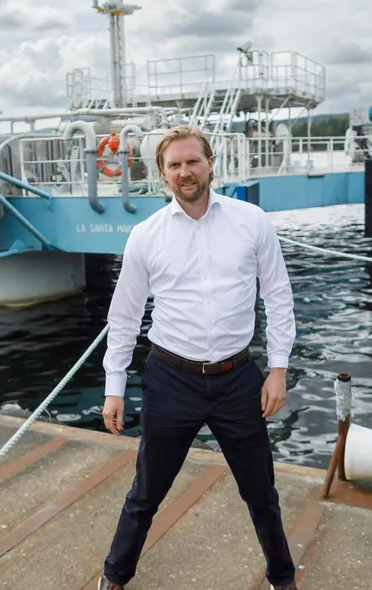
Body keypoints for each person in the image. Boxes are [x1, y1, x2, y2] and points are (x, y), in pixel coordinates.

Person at [97, 125, 299, 590]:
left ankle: (282, 578)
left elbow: (278, 296)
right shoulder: (146, 237)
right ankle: (114, 577)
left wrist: (279, 370)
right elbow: (124, 318)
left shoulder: (252, 222)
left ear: (211, 164)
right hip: (172, 378)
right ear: (162, 175)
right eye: (174, 165)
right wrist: (114, 390)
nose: (185, 172)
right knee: (146, 493)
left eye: (192, 161)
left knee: (261, 493)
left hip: (237, 378)